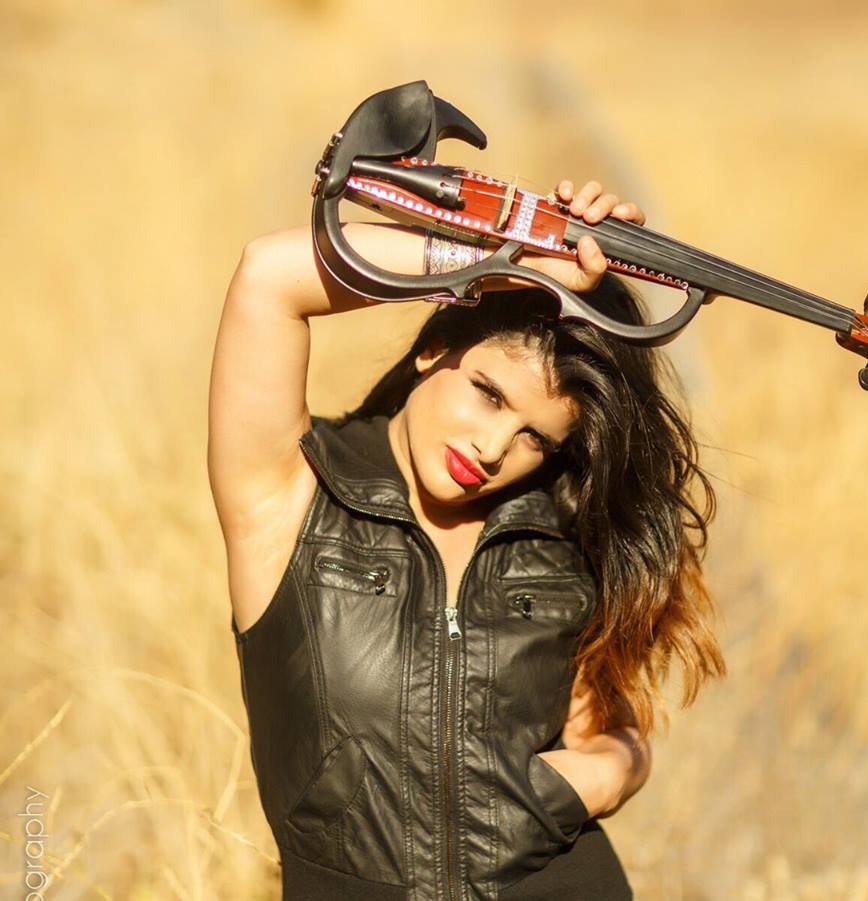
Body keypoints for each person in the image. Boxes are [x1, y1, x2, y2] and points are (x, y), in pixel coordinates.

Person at [208, 178, 726, 900]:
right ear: (435, 347)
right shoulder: (291, 496)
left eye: (535, 437)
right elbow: (269, 274)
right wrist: (512, 256)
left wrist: (611, 772)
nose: (492, 448)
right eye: (488, 394)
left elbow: (606, 734)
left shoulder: (555, 537)